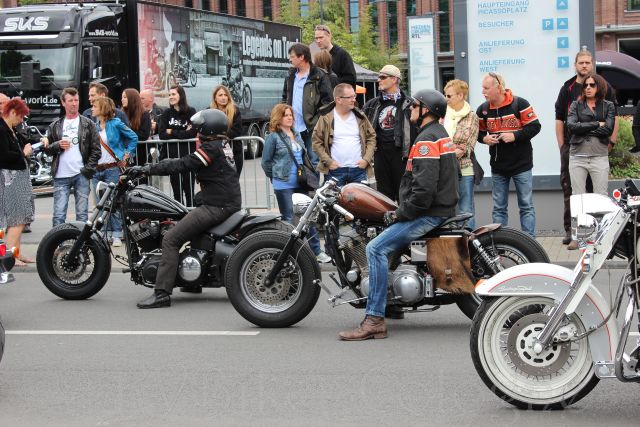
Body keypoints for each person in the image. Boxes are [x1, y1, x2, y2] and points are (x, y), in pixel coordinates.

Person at [338, 90, 459, 340]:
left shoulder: (426, 140)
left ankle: (374, 319)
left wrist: (400, 213)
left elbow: (424, 191)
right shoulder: (439, 134)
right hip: (438, 208)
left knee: (375, 249)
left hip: (428, 213)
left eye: (415, 105)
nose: (410, 109)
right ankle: (393, 304)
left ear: (427, 110)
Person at [130, 109, 242, 308]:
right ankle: (192, 282)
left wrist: (147, 169)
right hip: (223, 202)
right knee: (191, 230)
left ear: (209, 129)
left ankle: (162, 293)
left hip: (216, 206)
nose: (196, 132)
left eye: (199, 128)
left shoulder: (210, 148)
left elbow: (183, 164)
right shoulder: (222, 145)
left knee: (171, 239)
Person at [555, 49, 618, 244]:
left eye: (587, 62)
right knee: (572, 193)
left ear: (592, 64)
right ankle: (573, 233)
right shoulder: (567, 88)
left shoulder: (605, 88)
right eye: (580, 62)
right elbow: (562, 120)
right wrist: (562, 147)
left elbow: (612, 121)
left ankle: (598, 234)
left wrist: (611, 142)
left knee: (598, 195)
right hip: (573, 149)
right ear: (575, 65)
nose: (584, 65)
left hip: (599, 150)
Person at [261, 104, 331, 263]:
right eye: (285, 115)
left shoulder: (297, 134)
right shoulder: (273, 137)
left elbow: (303, 157)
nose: (289, 118)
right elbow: (265, 162)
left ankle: (316, 251)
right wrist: (276, 176)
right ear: (278, 117)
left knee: (308, 217)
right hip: (283, 183)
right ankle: (289, 254)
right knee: (288, 219)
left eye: (290, 115)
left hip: (301, 182)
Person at [476, 73, 541, 237]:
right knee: (499, 207)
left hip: (522, 165)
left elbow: (535, 126)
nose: (483, 91)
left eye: (486, 88)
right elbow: (477, 133)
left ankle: (530, 242)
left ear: (498, 88)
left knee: (526, 206)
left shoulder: (520, 103)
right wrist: (484, 139)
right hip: (498, 167)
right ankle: (500, 243)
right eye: (483, 88)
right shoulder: (483, 110)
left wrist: (515, 135)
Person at [566, 73, 615, 249]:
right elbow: (571, 127)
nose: (587, 88)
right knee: (578, 198)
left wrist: (583, 127)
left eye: (592, 85)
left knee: (601, 197)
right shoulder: (575, 105)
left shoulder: (608, 106)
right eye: (585, 85)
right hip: (577, 156)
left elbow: (608, 129)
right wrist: (596, 124)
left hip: (599, 156)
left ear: (599, 87)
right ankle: (578, 237)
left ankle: (602, 236)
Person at [42, 87, 101, 228]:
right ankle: (57, 241)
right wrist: (57, 145)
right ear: (63, 103)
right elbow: (47, 150)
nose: (74, 103)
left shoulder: (88, 124)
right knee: (59, 215)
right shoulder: (55, 125)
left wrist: (87, 169)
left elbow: (96, 150)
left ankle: (81, 242)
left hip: (81, 174)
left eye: (76, 100)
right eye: (70, 101)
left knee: (82, 215)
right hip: (60, 175)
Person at [362, 64, 415, 202]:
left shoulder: (410, 104)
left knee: (404, 194)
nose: (378, 80)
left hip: (401, 155)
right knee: (384, 197)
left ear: (394, 79)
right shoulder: (371, 104)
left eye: (382, 77)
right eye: (379, 77)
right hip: (380, 154)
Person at [92, 97, 138, 247]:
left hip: (112, 167)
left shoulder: (116, 123)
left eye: (95, 106)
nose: (92, 108)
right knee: (100, 203)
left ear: (103, 108)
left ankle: (117, 233)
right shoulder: (94, 126)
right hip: (97, 169)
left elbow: (133, 137)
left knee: (112, 202)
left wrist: (127, 154)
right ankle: (104, 233)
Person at [312, 83, 376, 186]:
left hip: (358, 171)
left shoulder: (360, 116)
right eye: (350, 97)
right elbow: (316, 142)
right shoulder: (326, 118)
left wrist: (366, 159)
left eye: (354, 96)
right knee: (333, 197)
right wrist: (328, 162)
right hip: (335, 171)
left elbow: (371, 137)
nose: (354, 100)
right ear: (338, 100)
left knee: (359, 197)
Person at [282, 43, 333, 164]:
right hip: (293, 127)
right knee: (294, 161)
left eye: (292, 56)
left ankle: (313, 178)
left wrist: (316, 122)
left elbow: (328, 103)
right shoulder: (290, 75)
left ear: (302, 57)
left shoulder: (319, 75)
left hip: (311, 128)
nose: (290, 59)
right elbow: (284, 97)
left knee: (314, 162)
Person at [0, 98, 34, 266]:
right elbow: (4, 156)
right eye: (20, 116)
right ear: (13, 112)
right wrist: (24, 153)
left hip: (16, 180)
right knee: (17, 220)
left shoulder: (11, 129)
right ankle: (9, 257)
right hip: (10, 182)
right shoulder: (1, 129)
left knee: (18, 219)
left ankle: (16, 253)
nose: (21, 120)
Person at [443, 79, 480, 230]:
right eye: (445, 95)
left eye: (449, 96)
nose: (445, 98)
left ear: (460, 95)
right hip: (445, 171)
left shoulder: (472, 116)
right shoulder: (442, 115)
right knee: (447, 210)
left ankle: (468, 241)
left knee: (466, 210)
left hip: (464, 169)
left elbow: (466, 147)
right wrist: (453, 148)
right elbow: (437, 141)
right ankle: (451, 241)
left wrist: (447, 150)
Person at [159, 85, 197, 206]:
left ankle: (191, 214)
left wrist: (171, 131)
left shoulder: (191, 111)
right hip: (173, 158)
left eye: (173, 94)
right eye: (169, 95)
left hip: (188, 157)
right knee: (177, 192)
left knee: (189, 191)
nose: (171, 97)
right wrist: (183, 132)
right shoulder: (166, 113)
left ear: (181, 95)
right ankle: (180, 215)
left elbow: (192, 133)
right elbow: (162, 134)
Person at [211, 85, 244, 175]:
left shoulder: (235, 110)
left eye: (225, 95)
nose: (223, 98)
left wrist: (217, 133)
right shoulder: (209, 111)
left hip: (234, 152)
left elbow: (237, 131)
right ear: (215, 98)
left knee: (234, 180)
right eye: (220, 95)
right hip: (216, 153)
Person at [314, 24, 357, 88]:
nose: (318, 41)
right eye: (316, 38)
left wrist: (332, 82)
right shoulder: (316, 55)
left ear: (329, 36)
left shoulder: (342, 54)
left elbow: (351, 79)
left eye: (321, 37)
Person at [122, 88, 152, 172]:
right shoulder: (121, 114)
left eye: (124, 97)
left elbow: (144, 134)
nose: (122, 99)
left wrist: (126, 134)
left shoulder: (144, 114)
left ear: (132, 99)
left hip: (140, 154)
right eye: (122, 97)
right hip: (125, 153)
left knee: (138, 176)